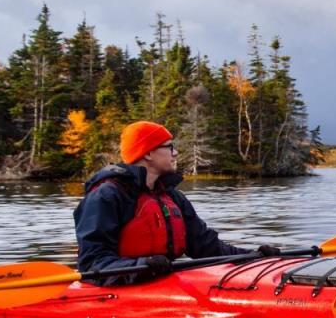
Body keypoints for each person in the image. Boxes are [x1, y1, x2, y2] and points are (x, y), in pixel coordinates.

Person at [74, 120, 274, 281]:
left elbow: (207, 248)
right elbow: (93, 262)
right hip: (119, 289)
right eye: (170, 147)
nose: (176, 153)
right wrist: (141, 267)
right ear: (149, 153)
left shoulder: (172, 197)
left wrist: (254, 256)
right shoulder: (107, 196)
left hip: (160, 280)